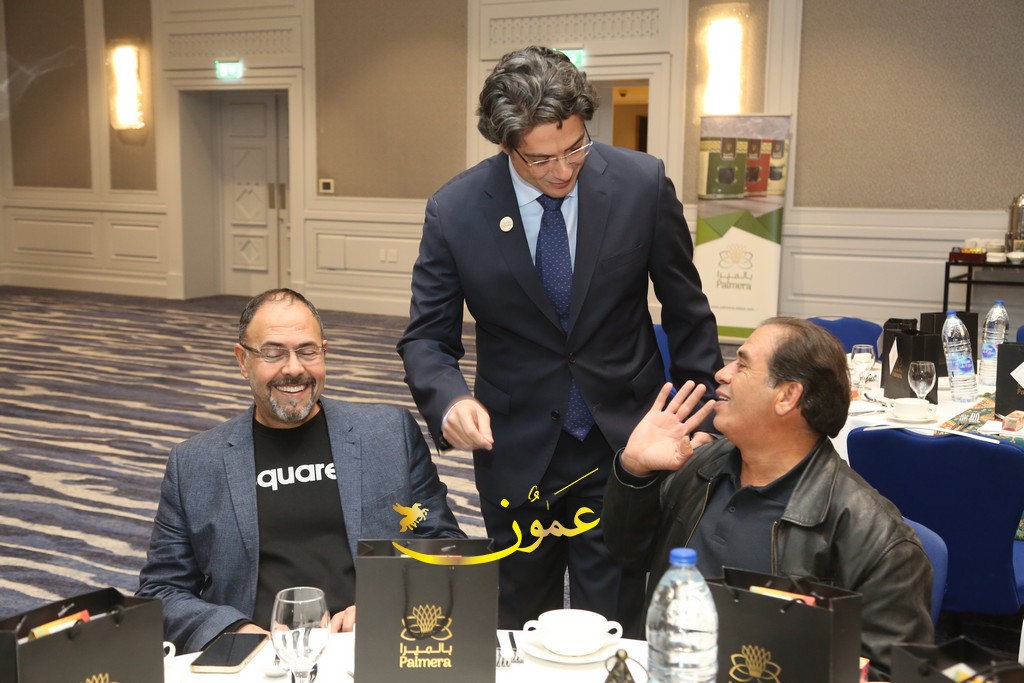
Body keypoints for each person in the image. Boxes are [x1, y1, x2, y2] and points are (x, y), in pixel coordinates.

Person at [397, 45, 722, 636]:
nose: (563, 170)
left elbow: (687, 310)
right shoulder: (456, 209)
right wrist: (450, 400)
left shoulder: (641, 184)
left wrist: (703, 419)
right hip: (516, 444)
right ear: (505, 144)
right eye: (541, 158)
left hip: (625, 443)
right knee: (520, 619)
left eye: (575, 148)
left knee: (615, 619)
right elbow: (426, 338)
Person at [137, 288, 465, 653]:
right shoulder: (195, 463)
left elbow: (448, 546)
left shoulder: (389, 434)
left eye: (307, 351)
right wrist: (236, 630)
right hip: (258, 658)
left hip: (369, 646)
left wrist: (384, 605)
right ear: (243, 361)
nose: (294, 368)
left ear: (324, 353)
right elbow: (161, 591)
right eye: (273, 353)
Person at [603, 317, 933, 675]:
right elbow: (629, 554)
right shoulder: (700, 466)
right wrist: (635, 470)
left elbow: (893, 674)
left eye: (742, 365)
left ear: (787, 396)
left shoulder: (877, 538)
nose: (722, 374)